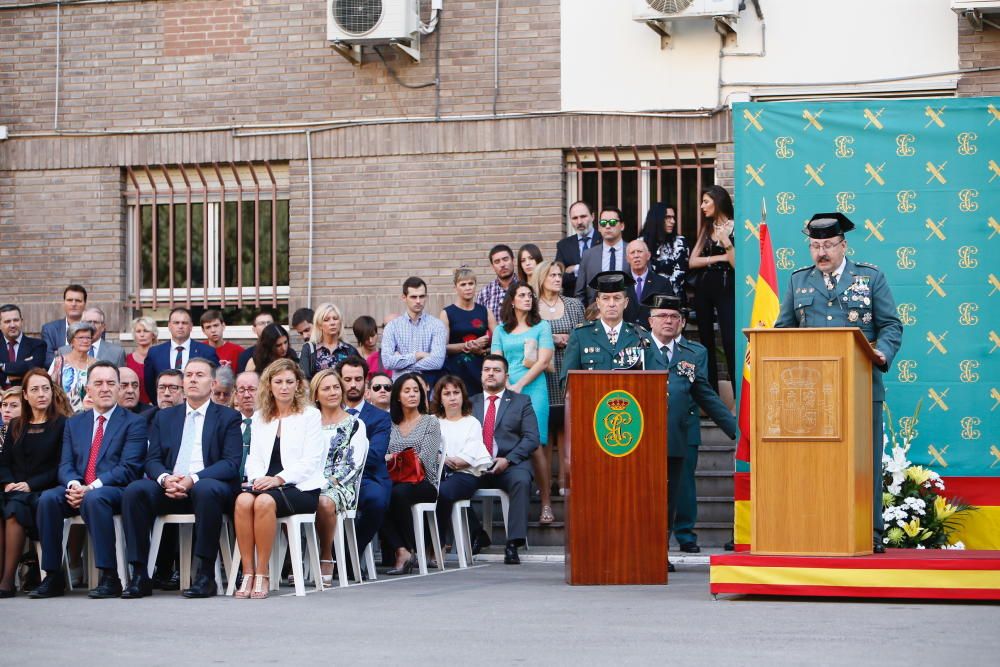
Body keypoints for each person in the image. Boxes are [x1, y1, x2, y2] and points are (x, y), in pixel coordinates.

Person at [775, 212, 903, 553]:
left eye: (828, 245)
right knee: (813, 462)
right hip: (811, 394)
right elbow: (783, 330)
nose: (821, 253)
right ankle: (815, 527)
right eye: (815, 246)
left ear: (843, 245)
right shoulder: (798, 281)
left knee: (866, 462)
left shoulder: (870, 278)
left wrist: (883, 354)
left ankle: (870, 532)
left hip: (861, 388)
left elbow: (891, 325)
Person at [121, 357, 243, 599]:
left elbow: (230, 464)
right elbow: (152, 459)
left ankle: (205, 575)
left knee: (205, 489)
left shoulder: (227, 417)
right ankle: (139, 575)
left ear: (213, 383)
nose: (193, 380)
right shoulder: (165, 417)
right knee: (135, 491)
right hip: (171, 486)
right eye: (188, 375)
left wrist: (193, 479)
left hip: (209, 489)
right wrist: (166, 478)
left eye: (200, 375)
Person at [32, 361, 148, 599]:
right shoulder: (75, 423)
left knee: (95, 499)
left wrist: (91, 487)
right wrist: (75, 485)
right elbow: (65, 465)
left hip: (114, 491)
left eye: (110, 383)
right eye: (99, 383)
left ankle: (109, 576)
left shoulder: (134, 422)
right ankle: (53, 575)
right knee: (48, 499)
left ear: (118, 388)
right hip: (79, 487)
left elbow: (129, 468)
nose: (105, 388)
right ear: (88, 389)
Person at [642, 293, 736, 569]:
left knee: (674, 495)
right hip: (642, 437)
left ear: (682, 322)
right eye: (662, 316)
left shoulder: (693, 354)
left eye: (674, 317)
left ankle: (661, 550)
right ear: (650, 321)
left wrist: (738, 433)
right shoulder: (636, 348)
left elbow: (705, 394)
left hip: (677, 435)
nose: (668, 321)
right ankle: (646, 548)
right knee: (647, 495)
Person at [233, 358, 326, 598]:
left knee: (263, 502)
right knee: (243, 501)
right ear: (269, 385)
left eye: (289, 382)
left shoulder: (310, 415)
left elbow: (311, 461)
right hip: (265, 484)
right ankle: (248, 572)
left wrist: (278, 479)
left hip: (301, 488)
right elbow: (253, 457)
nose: (284, 387)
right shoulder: (260, 416)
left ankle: (263, 574)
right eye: (278, 382)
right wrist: (257, 479)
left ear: (298, 385)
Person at [0, 369, 72, 596]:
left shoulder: (62, 424)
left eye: (45, 388)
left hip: (43, 490)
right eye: (35, 389)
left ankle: (7, 580)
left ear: (52, 392)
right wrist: (8, 483)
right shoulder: (16, 425)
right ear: (25, 395)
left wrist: (30, 485)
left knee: (14, 509)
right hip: (13, 489)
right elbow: (4, 462)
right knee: (6, 503)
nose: (41, 394)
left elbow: (60, 465)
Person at [491, 284, 555, 523]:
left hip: (534, 389)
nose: (527, 299)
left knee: (536, 443)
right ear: (512, 301)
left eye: (530, 295)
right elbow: (496, 360)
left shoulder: (542, 326)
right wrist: (506, 384)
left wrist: (519, 386)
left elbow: (543, 361)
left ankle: (546, 503)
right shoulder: (500, 330)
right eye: (522, 295)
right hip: (506, 387)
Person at [468, 355, 539, 564]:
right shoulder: (469, 403)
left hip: (510, 464)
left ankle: (513, 543)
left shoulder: (521, 401)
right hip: (476, 465)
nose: (491, 373)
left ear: (506, 376)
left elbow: (531, 438)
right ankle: (477, 533)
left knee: (522, 480)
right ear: (481, 374)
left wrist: (507, 460)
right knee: (451, 484)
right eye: (487, 369)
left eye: (496, 370)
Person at [529, 260, 585, 496]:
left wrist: (568, 340)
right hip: (542, 372)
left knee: (565, 426)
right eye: (552, 275)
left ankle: (564, 479)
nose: (557, 278)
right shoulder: (531, 306)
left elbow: (582, 333)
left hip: (567, 369)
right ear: (541, 278)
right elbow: (528, 335)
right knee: (544, 427)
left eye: (559, 274)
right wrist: (551, 338)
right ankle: (544, 482)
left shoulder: (573, 305)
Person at [311, 369, 369, 584]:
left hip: (341, 485)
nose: (333, 392)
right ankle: (293, 560)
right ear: (316, 395)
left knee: (325, 502)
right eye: (326, 388)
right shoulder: (309, 423)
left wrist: (327, 483)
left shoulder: (354, 424)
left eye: (336, 387)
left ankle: (326, 555)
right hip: (308, 482)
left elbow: (353, 464)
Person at [382, 373, 442, 575]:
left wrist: (394, 458)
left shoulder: (430, 422)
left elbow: (425, 458)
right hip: (395, 481)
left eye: (416, 390)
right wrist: (400, 457)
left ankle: (410, 549)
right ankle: (402, 550)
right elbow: (382, 454)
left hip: (423, 481)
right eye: (407, 391)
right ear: (398, 396)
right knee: (377, 497)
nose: (412, 395)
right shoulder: (390, 424)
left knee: (397, 494)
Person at [336, 356, 391, 563]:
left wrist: (340, 463)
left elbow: (375, 455)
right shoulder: (324, 413)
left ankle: (350, 554)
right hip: (330, 479)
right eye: (347, 379)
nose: (352, 384)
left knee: (377, 501)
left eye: (358, 379)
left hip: (366, 476)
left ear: (365, 382)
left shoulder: (380, 417)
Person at [431, 376, 492, 548]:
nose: (452, 397)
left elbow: (467, 458)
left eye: (456, 393)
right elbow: (430, 450)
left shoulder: (471, 422)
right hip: (439, 474)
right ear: (440, 398)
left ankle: (439, 545)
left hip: (466, 475)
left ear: (463, 396)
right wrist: (444, 460)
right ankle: (477, 533)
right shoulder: (434, 422)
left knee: (442, 492)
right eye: (447, 393)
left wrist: (447, 459)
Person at [688, 185, 736, 393]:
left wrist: (726, 242)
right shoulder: (706, 228)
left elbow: (736, 264)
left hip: (727, 286)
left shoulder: (736, 226)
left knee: (729, 340)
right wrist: (719, 257)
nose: (702, 206)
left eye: (706, 201)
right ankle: (711, 397)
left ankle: (739, 397)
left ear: (718, 201)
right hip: (704, 288)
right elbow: (692, 261)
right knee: (705, 340)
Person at [562, 271, 647, 379]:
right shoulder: (581, 335)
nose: (611, 304)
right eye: (606, 298)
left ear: (625, 303)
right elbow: (568, 380)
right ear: (598, 302)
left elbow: (650, 379)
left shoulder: (639, 335)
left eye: (617, 298)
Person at [381, 277, 447, 389]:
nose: (418, 301)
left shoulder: (437, 325)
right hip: (400, 389)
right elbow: (387, 362)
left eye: (421, 296)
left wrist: (401, 362)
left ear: (426, 297)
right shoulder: (392, 327)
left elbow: (437, 361)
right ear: (404, 297)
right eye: (413, 297)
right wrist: (417, 355)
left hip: (429, 388)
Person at [142, 308, 220, 402]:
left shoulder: (207, 352)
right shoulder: (154, 353)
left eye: (184, 323)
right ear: (169, 326)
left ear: (191, 326)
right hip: (166, 408)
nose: (180, 326)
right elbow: (150, 385)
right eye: (176, 323)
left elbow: (215, 381)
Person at [441, 266, 495, 397]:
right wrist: (469, 345)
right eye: (463, 284)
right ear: (455, 288)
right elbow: (442, 347)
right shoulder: (447, 313)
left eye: (471, 283)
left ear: (475, 285)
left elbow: (499, 342)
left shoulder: (485, 311)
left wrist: (484, 350)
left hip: (482, 371)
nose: (468, 287)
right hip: (457, 371)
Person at [575, 207, 627, 306]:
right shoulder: (588, 255)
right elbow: (580, 293)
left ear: (622, 226)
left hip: (628, 317)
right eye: (603, 223)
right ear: (599, 227)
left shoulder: (633, 252)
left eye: (612, 222)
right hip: (596, 317)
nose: (607, 226)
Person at [299, 303, 359, 380]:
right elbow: (304, 378)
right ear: (319, 325)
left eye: (335, 318)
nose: (332, 323)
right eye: (326, 320)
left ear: (340, 322)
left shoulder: (349, 350)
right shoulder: (309, 349)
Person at [554, 201, 600, 298]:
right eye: (575, 218)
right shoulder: (563, 246)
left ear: (593, 216)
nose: (579, 222)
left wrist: (576, 269)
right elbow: (559, 278)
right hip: (573, 304)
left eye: (583, 216)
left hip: (600, 303)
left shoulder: (604, 241)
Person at [48, 321, 97, 413]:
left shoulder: (97, 364)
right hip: (63, 414)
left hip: (90, 414)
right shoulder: (59, 362)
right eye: (81, 338)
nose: (85, 341)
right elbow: (49, 388)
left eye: (88, 337)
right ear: (71, 341)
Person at [642, 202, 690, 295]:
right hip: (646, 298)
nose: (673, 221)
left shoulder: (679, 243)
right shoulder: (641, 243)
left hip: (673, 299)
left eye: (673, 217)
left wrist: (659, 293)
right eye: (668, 217)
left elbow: (679, 274)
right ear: (657, 219)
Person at [622, 239, 672, 326]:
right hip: (625, 334)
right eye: (632, 252)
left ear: (648, 255)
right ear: (627, 259)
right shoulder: (620, 282)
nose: (636, 255)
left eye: (640, 251)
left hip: (652, 334)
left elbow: (667, 312)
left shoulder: (662, 283)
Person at [56, 307, 125, 368]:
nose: (92, 325)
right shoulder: (64, 351)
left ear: (103, 327)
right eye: (88, 322)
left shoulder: (117, 353)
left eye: (95, 322)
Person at [0, 304, 48, 388]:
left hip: (26, 397)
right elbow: (28, 369)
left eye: (16, 320)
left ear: (21, 321)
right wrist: (24, 368)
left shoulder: (38, 345)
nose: (12, 325)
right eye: (7, 321)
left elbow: (35, 369)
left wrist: (2, 366)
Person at [41, 284, 88, 365]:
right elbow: (48, 360)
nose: (73, 304)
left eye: (78, 300)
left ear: (84, 304)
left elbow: (96, 355)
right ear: (64, 303)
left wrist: (59, 355)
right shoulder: (50, 329)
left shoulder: (92, 328)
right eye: (69, 300)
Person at [476, 245, 518, 321]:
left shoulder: (525, 287)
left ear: (513, 261)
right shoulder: (484, 293)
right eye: (497, 261)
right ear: (492, 266)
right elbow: (480, 323)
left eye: (505, 259)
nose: (502, 265)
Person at [126, 315, 159, 405]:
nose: (142, 334)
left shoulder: (161, 357)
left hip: (157, 406)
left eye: (146, 331)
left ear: (153, 334)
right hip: (134, 406)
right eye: (138, 331)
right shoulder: (127, 359)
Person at [233, 371, 259, 482]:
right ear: (236, 395)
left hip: (261, 485)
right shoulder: (228, 423)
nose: (247, 395)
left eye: (252, 389)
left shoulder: (273, 423)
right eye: (242, 390)